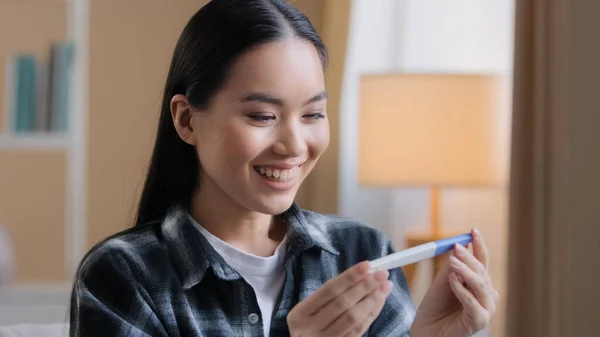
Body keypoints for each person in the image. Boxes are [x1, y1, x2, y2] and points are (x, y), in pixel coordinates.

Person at [69, 0, 499, 336]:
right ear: (186, 120)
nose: (295, 145)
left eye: (313, 115)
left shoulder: (362, 253)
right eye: (262, 116)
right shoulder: (124, 276)